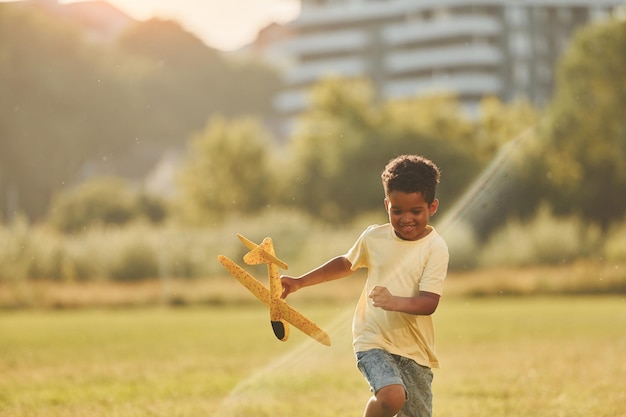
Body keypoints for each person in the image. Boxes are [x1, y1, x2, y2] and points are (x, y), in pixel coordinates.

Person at [281, 154, 449, 417]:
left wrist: (395, 302)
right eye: (397, 210)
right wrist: (299, 282)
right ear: (387, 205)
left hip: (415, 350)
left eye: (416, 211)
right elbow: (345, 264)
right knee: (391, 396)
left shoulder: (435, 248)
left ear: (433, 207)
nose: (406, 218)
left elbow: (429, 302)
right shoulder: (374, 237)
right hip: (372, 339)